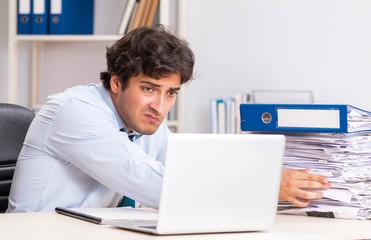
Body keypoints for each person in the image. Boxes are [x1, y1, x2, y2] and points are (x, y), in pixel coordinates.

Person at [7, 25, 329, 213]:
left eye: (171, 93)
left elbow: (181, 171)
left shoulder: (146, 121)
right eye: (149, 88)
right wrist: (264, 182)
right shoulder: (74, 110)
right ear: (117, 82)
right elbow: (154, 184)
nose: (160, 106)